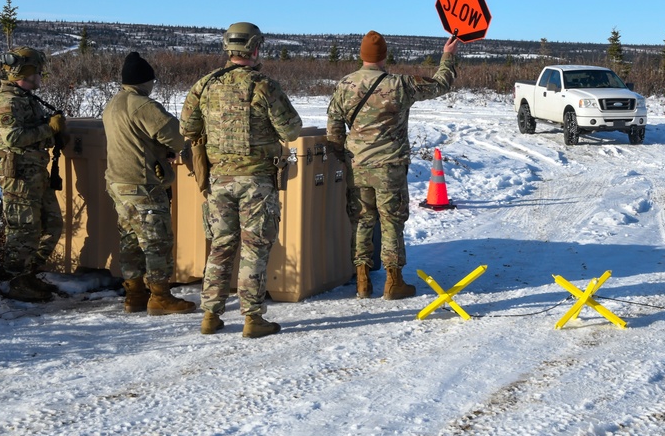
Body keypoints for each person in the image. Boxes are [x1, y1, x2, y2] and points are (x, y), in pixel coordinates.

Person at [180, 22, 302, 338]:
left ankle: (210, 314)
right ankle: (252, 318)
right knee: (254, 249)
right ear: (256, 48)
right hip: (256, 184)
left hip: (218, 182)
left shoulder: (204, 85)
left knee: (220, 246)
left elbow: (187, 128)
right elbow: (291, 131)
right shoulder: (265, 86)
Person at [326, 31, 458, 300]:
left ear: (362, 55)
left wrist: (344, 155)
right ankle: (394, 281)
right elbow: (441, 84)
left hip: (358, 166)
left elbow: (334, 128)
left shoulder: (344, 85)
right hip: (390, 168)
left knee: (362, 221)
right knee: (392, 223)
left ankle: (362, 281)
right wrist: (448, 55)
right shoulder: (400, 84)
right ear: (384, 56)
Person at [103, 52, 194, 315]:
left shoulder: (114, 103)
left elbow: (135, 140)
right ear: (146, 81)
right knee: (157, 241)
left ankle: (134, 295)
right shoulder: (143, 105)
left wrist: (156, 150)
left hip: (118, 182)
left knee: (130, 239)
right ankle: (160, 297)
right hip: (143, 184)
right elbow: (177, 137)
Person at [0, 47, 65, 302]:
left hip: (33, 172)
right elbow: (13, 137)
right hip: (18, 175)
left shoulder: (24, 97)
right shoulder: (8, 100)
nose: (41, 77)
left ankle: (28, 274)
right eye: (38, 72)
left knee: (51, 224)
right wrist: (48, 128)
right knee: (23, 229)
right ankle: (15, 281)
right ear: (27, 73)